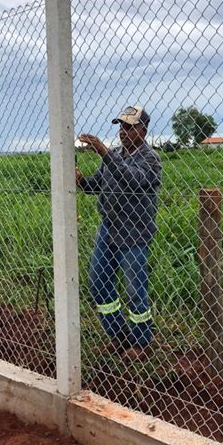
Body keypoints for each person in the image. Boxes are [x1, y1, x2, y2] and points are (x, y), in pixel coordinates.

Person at [76, 105, 162, 361]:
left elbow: (132, 180)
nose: (123, 132)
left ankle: (141, 342)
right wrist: (81, 181)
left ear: (143, 131)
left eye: (129, 127)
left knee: (135, 289)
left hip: (134, 232)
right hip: (109, 229)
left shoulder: (150, 159)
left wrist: (103, 153)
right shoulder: (115, 155)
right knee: (99, 283)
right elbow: (97, 186)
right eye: (121, 126)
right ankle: (119, 336)